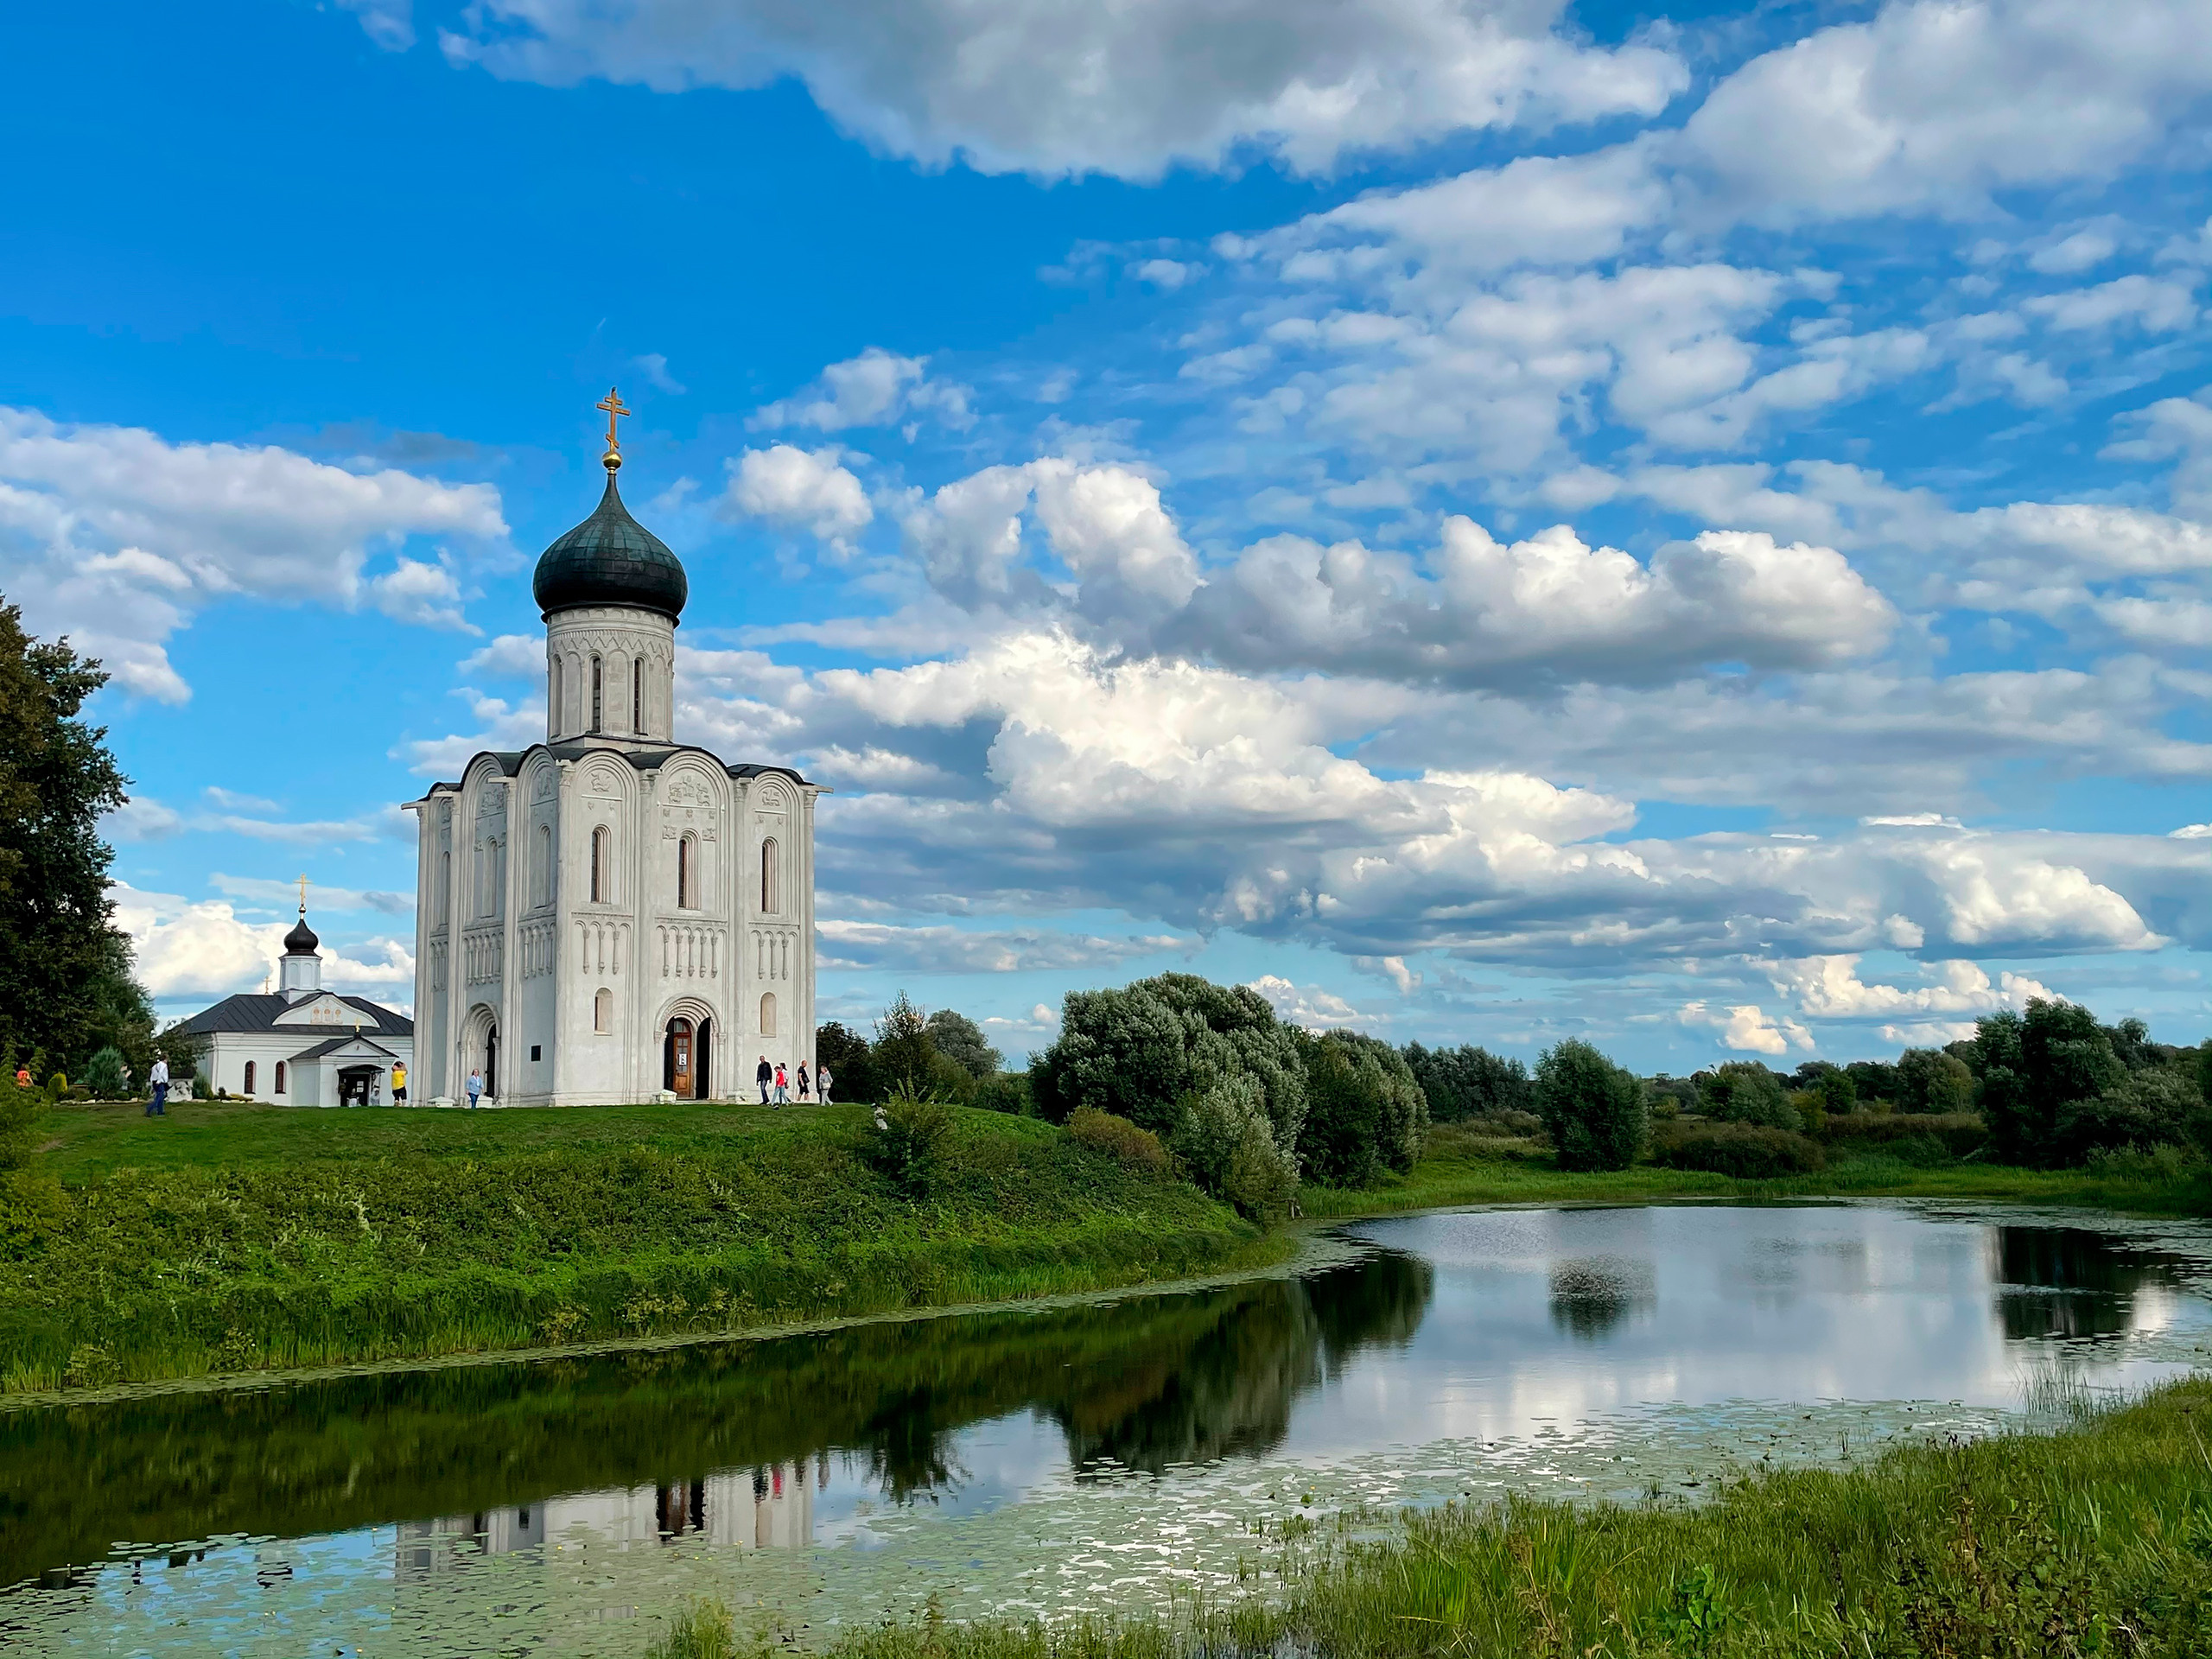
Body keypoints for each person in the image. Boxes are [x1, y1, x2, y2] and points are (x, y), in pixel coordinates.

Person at [146, 1052, 169, 1117]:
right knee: (159, 1098)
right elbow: (161, 1072)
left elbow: (152, 1074)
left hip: (154, 1082)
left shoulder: (155, 1066)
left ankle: (160, 1111)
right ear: (165, 1059)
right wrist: (159, 1081)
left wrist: (153, 1081)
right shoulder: (163, 1065)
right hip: (160, 1082)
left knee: (161, 1097)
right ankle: (149, 1109)